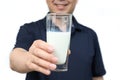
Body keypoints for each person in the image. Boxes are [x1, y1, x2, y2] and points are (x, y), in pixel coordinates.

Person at [10, 0, 106, 80]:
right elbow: (15, 59)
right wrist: (29, 59)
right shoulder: (30, 30)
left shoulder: (90, 35)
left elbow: (97, 76)